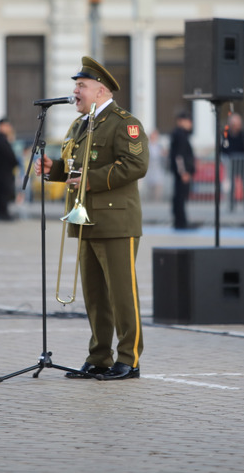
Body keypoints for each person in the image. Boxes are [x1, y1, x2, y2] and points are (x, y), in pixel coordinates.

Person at [34, 56, 148, 381]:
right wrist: (53, 170)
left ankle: (129, 359)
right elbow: (73, 166)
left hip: (116, 223)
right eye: (76, 85)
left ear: (100, 90)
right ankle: (100, 356)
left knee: (122, 295)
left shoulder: (125, 123)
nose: (75, 91)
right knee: (96, 297)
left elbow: (135, 166)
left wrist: (89, 180)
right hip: (84, 221)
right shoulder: (80, 124)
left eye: (81, 86)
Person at [169, 111, 196, 229]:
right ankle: (181, 222)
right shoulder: (180, 135)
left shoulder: (181, 135)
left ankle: (180, 221)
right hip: (181, 173)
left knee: (180, 197)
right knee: (180, 197)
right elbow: (179, 156)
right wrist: (183, 172)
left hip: (181, 172)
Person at [0, 118, 20, 221]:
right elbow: (9, 155)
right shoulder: (0, 139)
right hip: (2, 172)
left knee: (3, 193)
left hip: (1, 171)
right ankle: (3, 214)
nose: (9, 128)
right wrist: (15, 162)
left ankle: (2, 213)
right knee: (2, 193)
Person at [221, 112, 244, 211]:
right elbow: (224, 147)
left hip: (242, 163)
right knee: (230, 184)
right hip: (230, 162)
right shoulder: (226, 135)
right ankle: (231, 204)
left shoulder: (243, 134)